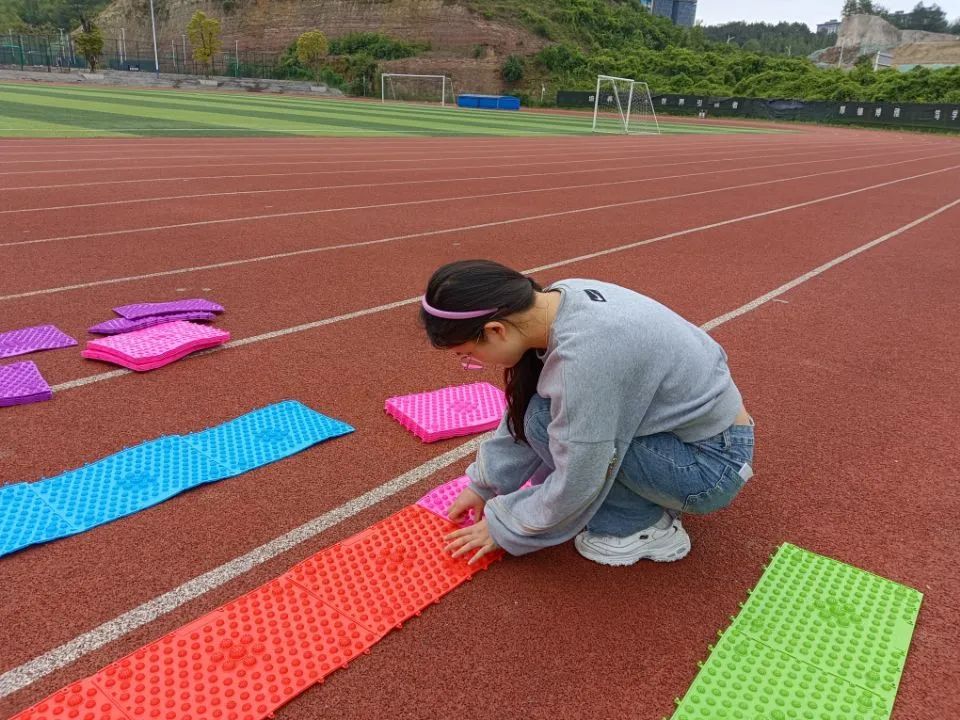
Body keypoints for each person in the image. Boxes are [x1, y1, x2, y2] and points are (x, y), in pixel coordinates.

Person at [419, 259, 755, 567]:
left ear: (496, 330)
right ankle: (649, 493)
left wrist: (506, 525)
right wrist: (484, 485)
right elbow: (526, 408)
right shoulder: (560, 297)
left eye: (468, 355)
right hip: (702, 435)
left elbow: (582, 473)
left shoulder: (584, 359)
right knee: (541, 416)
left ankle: (642, 527)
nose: (472, 363)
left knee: (552, 428)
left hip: (709, 470)